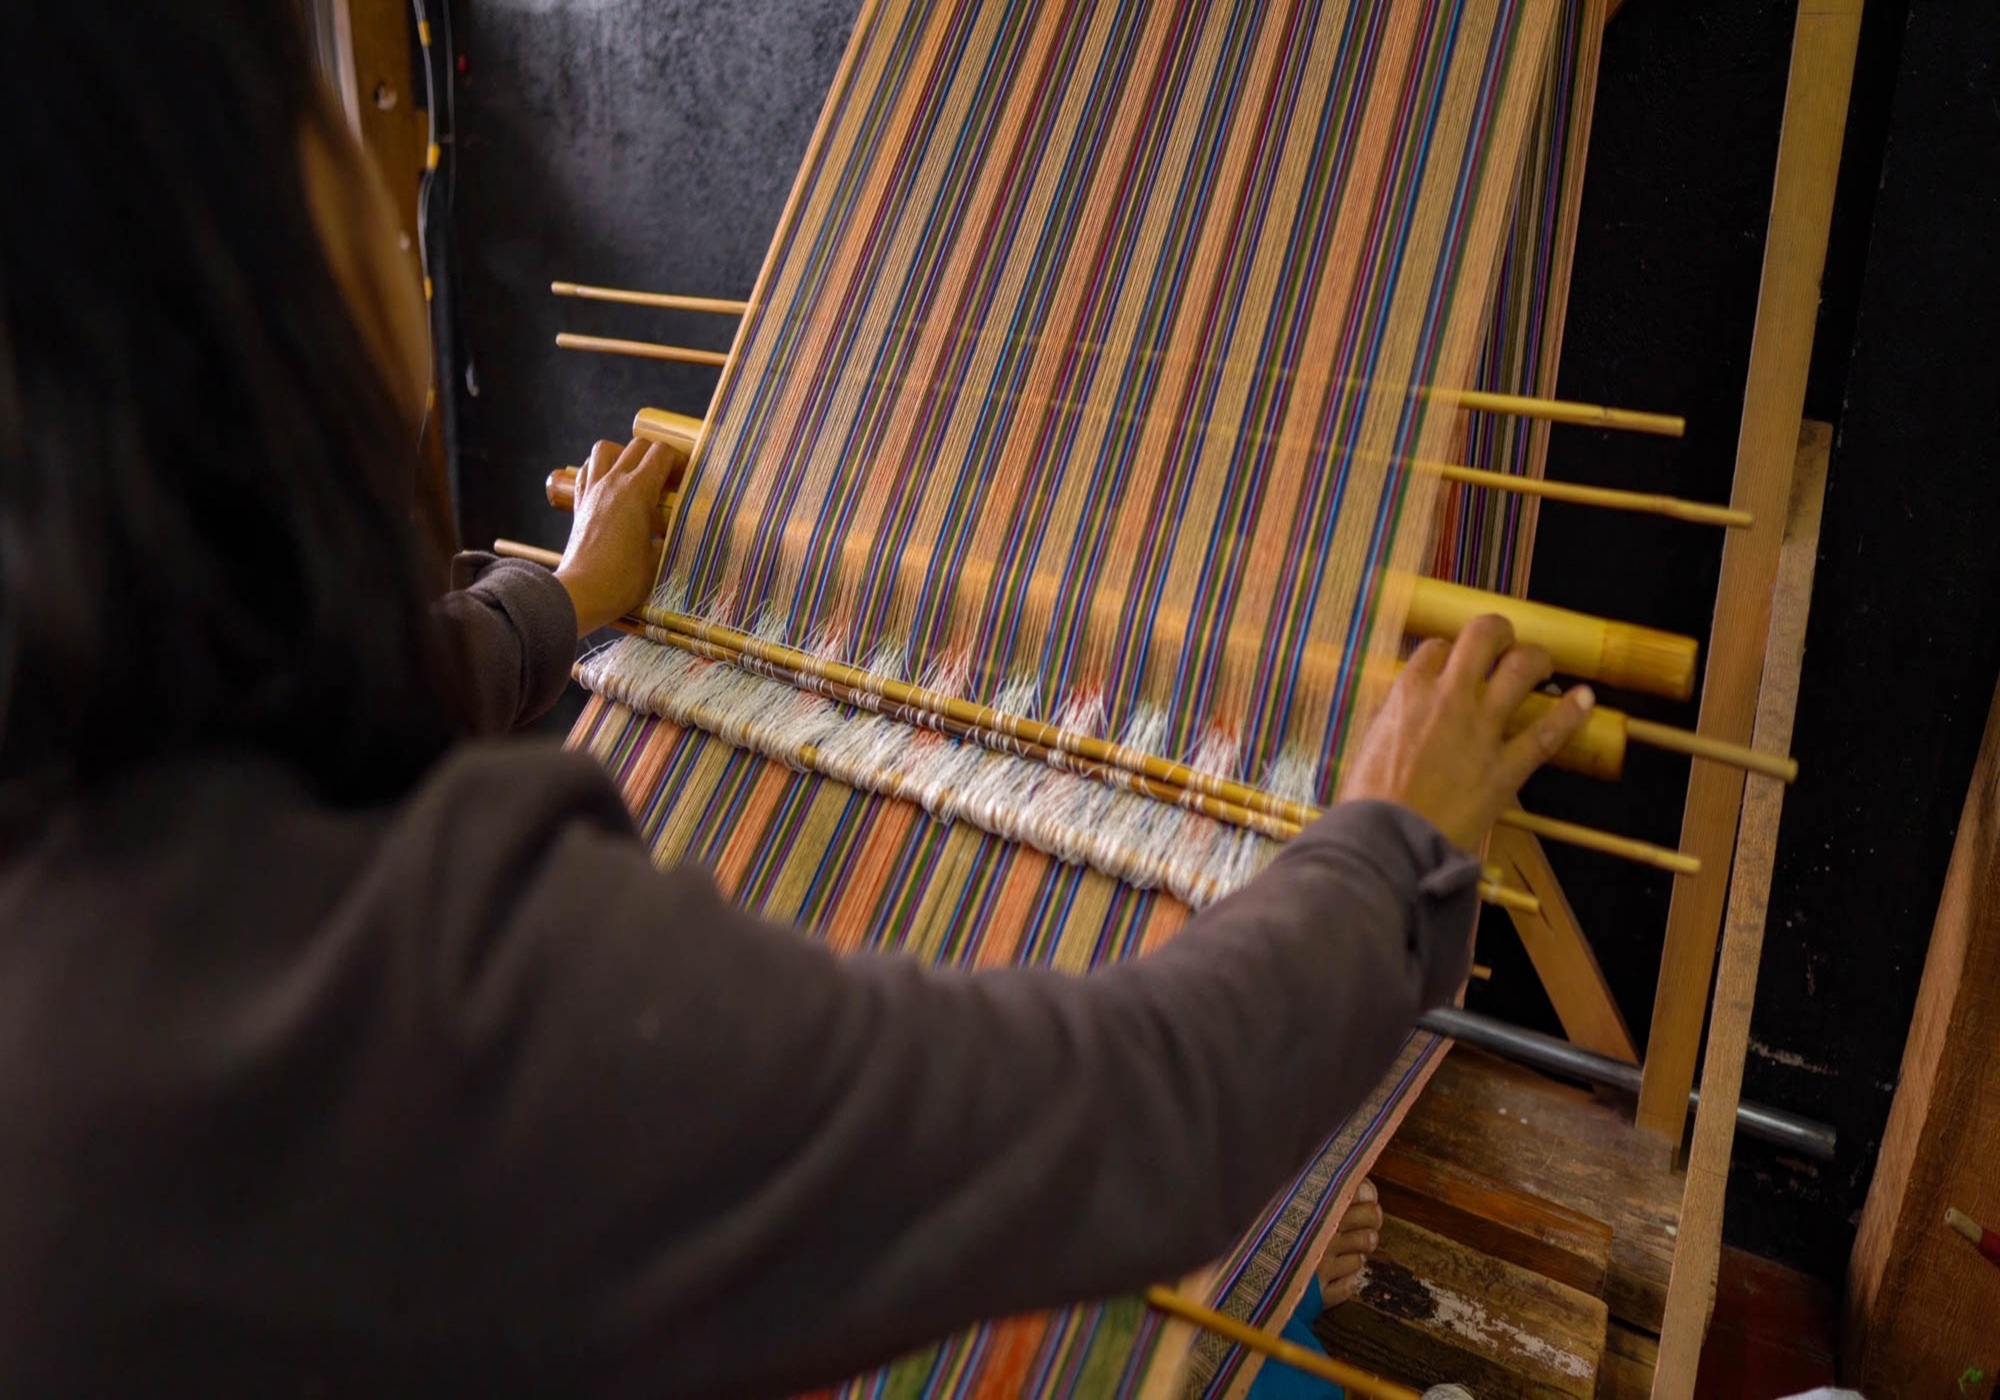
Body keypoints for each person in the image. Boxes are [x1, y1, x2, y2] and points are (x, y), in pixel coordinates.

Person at [0, 3, 1594, 1397]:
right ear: (256, 267)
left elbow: (325, 701)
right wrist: (1389, 848)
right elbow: (1120, 1125)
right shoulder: (438, 1016)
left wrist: (556, 599)